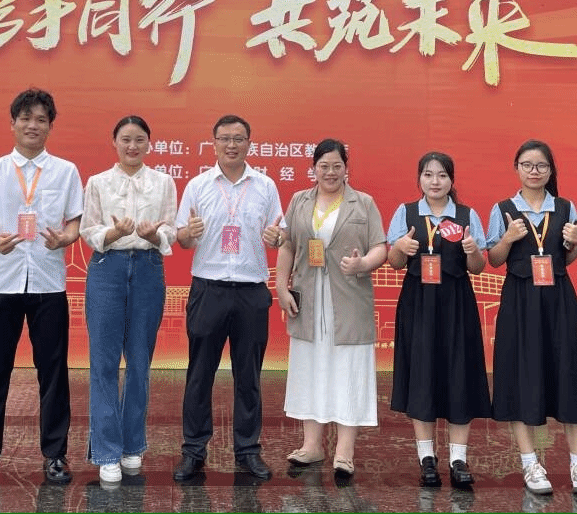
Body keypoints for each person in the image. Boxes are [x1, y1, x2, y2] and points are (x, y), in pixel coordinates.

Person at [0, 88, 83, 487]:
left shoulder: (65, 171)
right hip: (2, 283)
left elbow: (74, 222)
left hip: (48, 282)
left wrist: (66, 239)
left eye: (41, 119)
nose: (33, 125)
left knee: (53, 373)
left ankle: (55, 455)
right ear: (12, 123)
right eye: (26, 118)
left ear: (50, 126)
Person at [172, 114, 286, 482]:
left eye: (238, 138)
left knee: (249, 376)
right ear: (214, 143)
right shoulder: (198, 186)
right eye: (224, 138)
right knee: (199, 374)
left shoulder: (265, 186)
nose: (231, 145)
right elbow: (183, 239)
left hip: (251, 291)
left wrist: (278, 238)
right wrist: (188, 234)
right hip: (209, 288)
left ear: (249, 144)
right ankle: (193, 450)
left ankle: (248, 450)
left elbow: (280, 233)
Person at [485, 139, 577, 496]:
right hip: (519, 300)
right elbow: (494, 260)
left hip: (559, 300)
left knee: (571, 375)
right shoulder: (503, 209)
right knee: (521, 377)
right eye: (527, 165)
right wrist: (507, 238)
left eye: (541, 166)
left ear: (550, 171)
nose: (534, 171)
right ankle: (530, 463)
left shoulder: (564, 207)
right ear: (516, 168)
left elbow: (567, 258)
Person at [275, 139, 386, 480]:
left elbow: (380, 247)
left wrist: (363, 264)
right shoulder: (299, 200)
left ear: (346, 169)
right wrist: (281, 286)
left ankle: (344, 451)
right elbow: (287, 244)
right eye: (324, 166)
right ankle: (312, 445)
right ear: (313, 169)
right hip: (308, 299)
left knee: (348, 371)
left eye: (337, 166)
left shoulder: (363, 203)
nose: (330, 172)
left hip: (348, 299)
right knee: (310, 367)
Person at [80, 115, 177, 484]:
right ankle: (107, 451)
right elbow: (89, 229)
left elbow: (170, 229)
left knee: (139, 361)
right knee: (103, 363)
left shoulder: (163, 182)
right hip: (108, 268)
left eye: (139, 139)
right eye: (125, 139)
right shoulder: (98, 182)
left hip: (148, 269)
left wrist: (153, 236)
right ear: (115, 143)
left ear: (149, 143)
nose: (132, 146)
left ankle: (133, 445)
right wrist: (113, 233)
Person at [386, 151, 491, 489]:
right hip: (418, 302)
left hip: (456, 302)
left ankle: (458, 459)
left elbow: (478, 268)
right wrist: (400, 247)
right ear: (419, 179)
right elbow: (394, 263)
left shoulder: (466, 215)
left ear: (451, 180)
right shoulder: (406, 212)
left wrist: (472, 251)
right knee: (422, 375)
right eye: (428, 175)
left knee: (460, 375)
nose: (435, 182)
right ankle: (427, 458)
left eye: (442, 175)